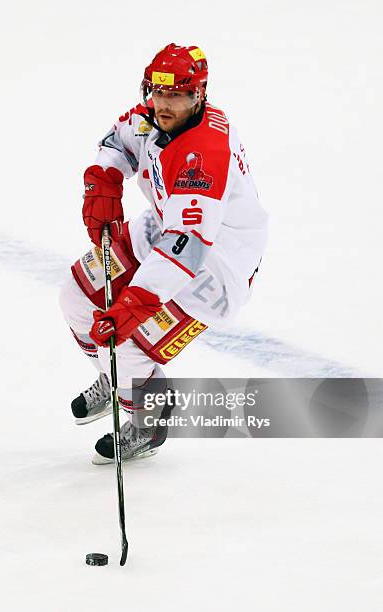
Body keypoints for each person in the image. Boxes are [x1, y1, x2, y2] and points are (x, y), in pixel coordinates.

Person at [59, 43, 268, 464]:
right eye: (157, 93)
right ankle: (114, 379)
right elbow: (119, 141)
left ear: (199, 95)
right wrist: (105, 179)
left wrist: (137, 302)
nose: (163, 104)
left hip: (214, 267)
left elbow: (187, 247)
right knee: (76, 299)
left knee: (126, 344)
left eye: (175, 95)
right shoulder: (151, 115)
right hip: (164, 227)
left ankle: (148, 421)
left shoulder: (203, 156)